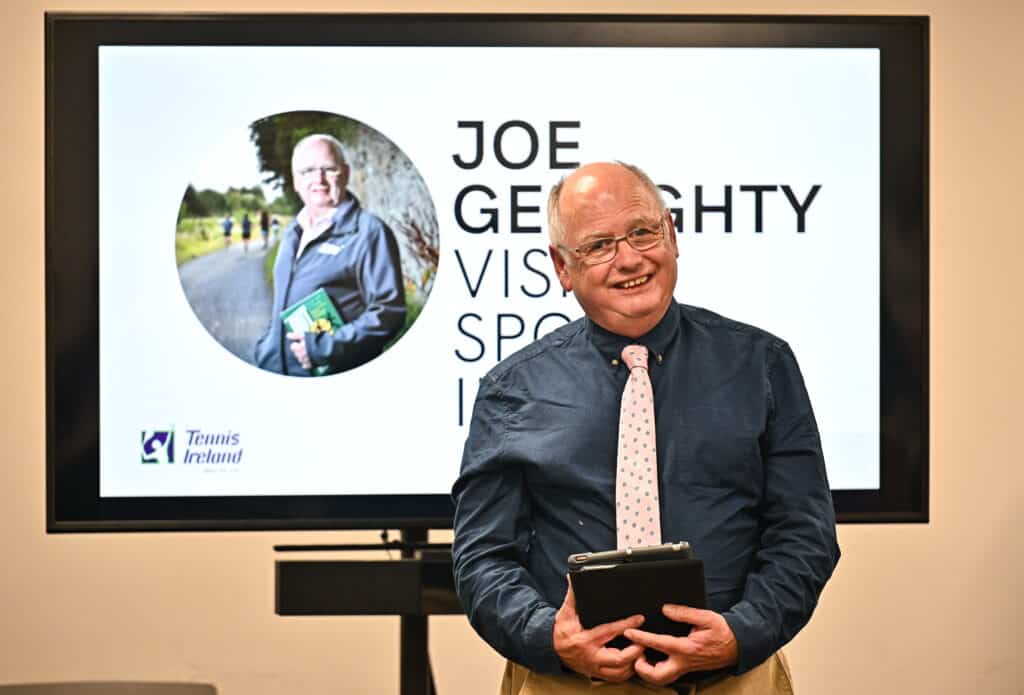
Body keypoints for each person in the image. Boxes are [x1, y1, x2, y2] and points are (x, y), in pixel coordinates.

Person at [452, 162, 840, 694]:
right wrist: (548, 636)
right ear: (563, 269)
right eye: (599, 245)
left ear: (672, 235)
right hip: (565, 685)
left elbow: (806, 533)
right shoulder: (511, 388)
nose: (630, 258)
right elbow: (482, 558)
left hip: (735, 680)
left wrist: (741, 633)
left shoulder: (762, 365)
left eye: (642, 231)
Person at [254, 133, 406, 376]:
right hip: (275, 372)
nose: (319, 179)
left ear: (345, 173)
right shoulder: (292, 231)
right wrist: (267, 348)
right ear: (295, 180)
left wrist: (323, 348)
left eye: (328, 169)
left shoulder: (369, 232)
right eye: (308, 171)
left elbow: (389, 312)